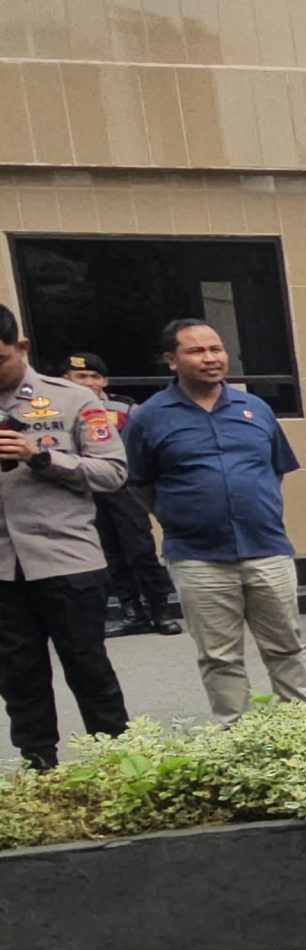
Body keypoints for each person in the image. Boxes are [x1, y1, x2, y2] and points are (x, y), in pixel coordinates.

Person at [122, 321, 306, 724]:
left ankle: (304, 731)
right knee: (220, 657)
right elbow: (139, 483)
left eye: (216, 349)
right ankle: (236, 737)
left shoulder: (255, 409)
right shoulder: (149, 417)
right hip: (198, 558)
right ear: (171, 360)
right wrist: (182, 515)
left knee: (286, 648)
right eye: (197, 351)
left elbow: (275, 471)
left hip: (267, 550)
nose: (211, 358)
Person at [0, 306, 132, 771]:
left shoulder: (73, 399)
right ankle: (40, 768)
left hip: (67, 559)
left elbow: (112, 472)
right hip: (3, 569)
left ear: (21, 347)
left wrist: (41, 458)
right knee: (18, 677)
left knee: (88, 667)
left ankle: (117, 764)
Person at [61, 351, 181, 637]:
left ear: (105, 381)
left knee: (140, 551)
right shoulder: (57, 411)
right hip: (86, 490)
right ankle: (132, 613)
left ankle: (160, 611)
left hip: (124, 489)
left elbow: (146, 443)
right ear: (66, 379)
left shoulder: (124, 407)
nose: (88, 382)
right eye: (81, 376)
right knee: (110, 555)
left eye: (94, 376)